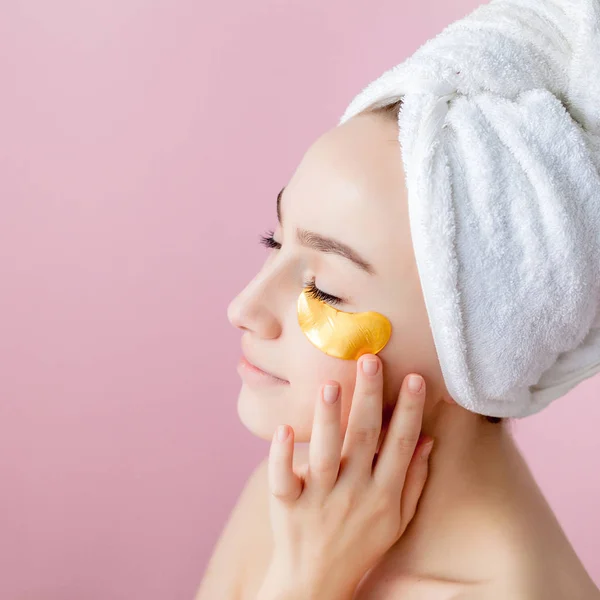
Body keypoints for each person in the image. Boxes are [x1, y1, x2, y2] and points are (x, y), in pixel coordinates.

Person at [194, 101, 600, 599]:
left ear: (479, 351)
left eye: (324, 290)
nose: (243, 307)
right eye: (274, 242)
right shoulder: (306, 499)